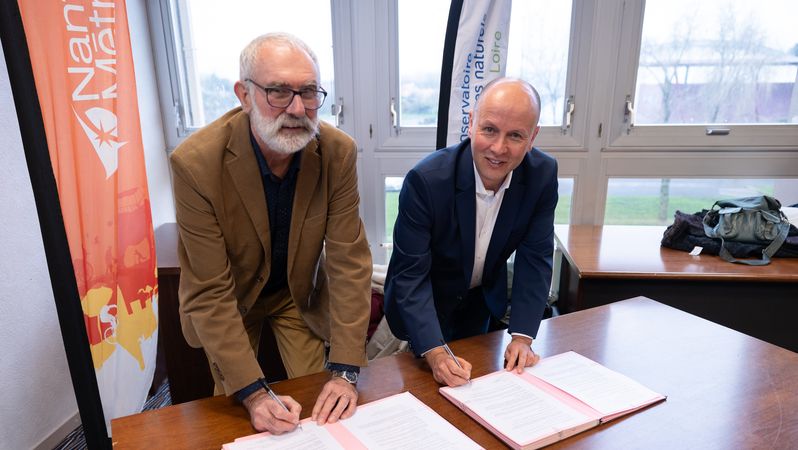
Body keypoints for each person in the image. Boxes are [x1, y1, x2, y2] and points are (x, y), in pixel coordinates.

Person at [170, 33, 371, 435]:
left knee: (326, 406)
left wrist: (347, 370)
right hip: (230, 299)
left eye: (309, 92)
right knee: (237, 415)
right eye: (278, 91)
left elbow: (349, 262)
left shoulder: (338, 152)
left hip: (294, 296)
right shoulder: (194, 164)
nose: (297, 108)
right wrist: (254, 393)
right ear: (244, 95)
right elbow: (210, 290)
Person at [384, 78, 558, 387]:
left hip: (480, 306)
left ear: (533, 138)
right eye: (489, 129)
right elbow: (410, 276)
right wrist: (435, 352)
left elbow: (535, 258)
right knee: (423, 393)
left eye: (515, 135)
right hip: (425, 306)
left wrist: (522, 337)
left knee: (478, 391)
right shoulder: (426, 181)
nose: (499, 148)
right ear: (471, 123)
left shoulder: (541, 176)